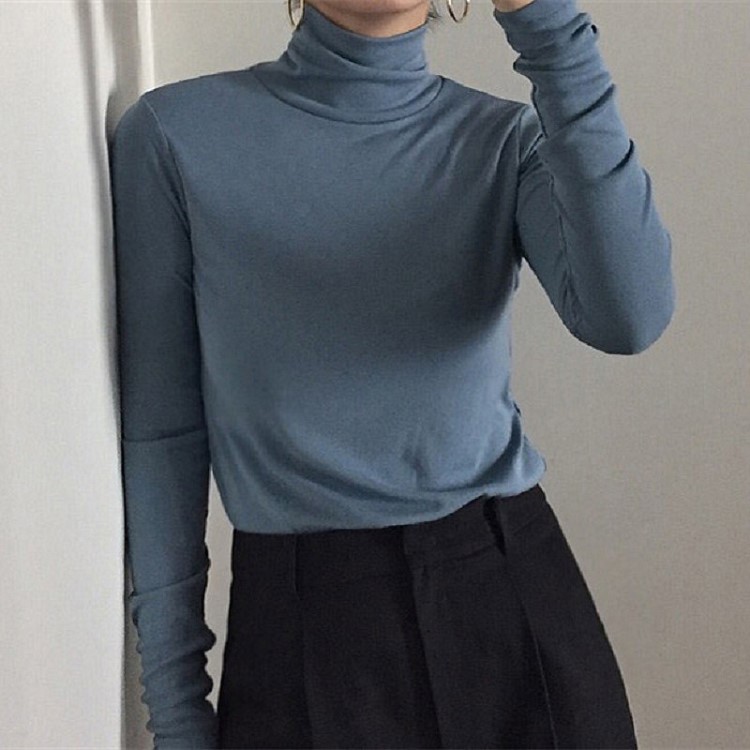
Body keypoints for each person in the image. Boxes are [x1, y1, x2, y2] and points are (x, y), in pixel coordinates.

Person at [109, 0, 675, 747]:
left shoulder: (505, 142)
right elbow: (163, 433)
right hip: (300, 626)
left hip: (512, 601)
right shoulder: (174, 135)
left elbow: (629, 316)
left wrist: (550, 28)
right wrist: (176, 709)